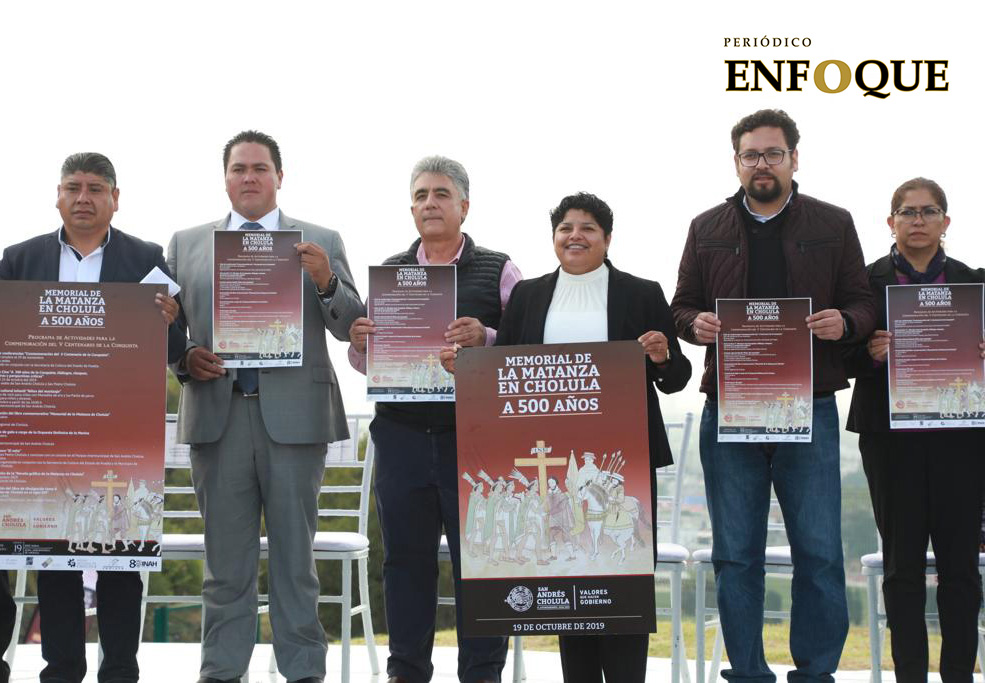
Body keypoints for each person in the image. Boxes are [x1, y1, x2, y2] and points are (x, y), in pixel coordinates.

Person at [442, 191, 692, 682]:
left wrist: (663, 355)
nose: (575, 236)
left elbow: (677, 376)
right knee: (568, 580)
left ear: (607, 238)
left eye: (588, 228)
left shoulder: (642, 292)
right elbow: (503, 372)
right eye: (565, 228)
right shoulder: (531, 295)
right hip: (553, 466)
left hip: (624, 464)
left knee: (620, 587)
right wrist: (465, 368)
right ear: (554, 237)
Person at [670, 109, 876, 682]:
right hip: (730, 409)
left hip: (808, 406)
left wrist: (847, 323)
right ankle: (749, 672)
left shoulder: (834, 223)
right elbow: (681, 305)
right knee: (735, 555)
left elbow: (862, 300)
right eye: (751, 155)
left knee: (819, 552)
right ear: (736, 162)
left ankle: (815, 673)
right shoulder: (705, 227)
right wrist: (696, 326)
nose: (762, 164)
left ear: (794, 158)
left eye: (773, 153)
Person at [167, 130, 362, 683]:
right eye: (238, 169)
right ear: (225, 177)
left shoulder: (320, 239)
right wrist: (184, 358)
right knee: (224, 566)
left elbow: (352, 328)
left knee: (295, 564)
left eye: (260, 168)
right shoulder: (186, 243)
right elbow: (163, 324)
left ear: (280, 176)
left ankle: (303, 672)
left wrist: (325, 280)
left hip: (295, 423)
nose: (248, 177)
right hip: (217, 417)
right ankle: (221, 673)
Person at [0, 152, 184, 683]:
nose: (84, 198)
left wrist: (170, 321)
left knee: (122, 560)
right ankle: (60, 672)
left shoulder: (146, 258)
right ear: (57, 195)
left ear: (115, 199)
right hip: (50, 433)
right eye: (73, 187)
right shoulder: (19, 260)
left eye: (96, 188)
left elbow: (174, 348)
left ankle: (121, 671)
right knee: (54, 558)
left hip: (121, 433)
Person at [347, 155, 521, 683]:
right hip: (400, 436)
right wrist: (360, 346)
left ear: (464, 206)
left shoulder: (500, 268)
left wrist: (486, 338)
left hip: (476, 438)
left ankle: (482, 673)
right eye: (420, 195)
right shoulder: (390, 273)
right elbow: (366, 365)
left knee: (482, 561)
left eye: (441, 194)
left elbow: (525, 347)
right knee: (405, 560)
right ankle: (406, 671)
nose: (430, 204)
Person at [845, 178, 985, 683]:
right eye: (907, 212)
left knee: (961, 568)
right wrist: (869, 354)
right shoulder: (862, 285)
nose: (918, 220)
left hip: (962, 442)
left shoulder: (976, 284)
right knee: (901, 568)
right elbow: (834, 355)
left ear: (946, 222)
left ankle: (958, 677)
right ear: (891, 222)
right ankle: (909, 677)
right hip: (890, 442)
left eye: (929, 211)